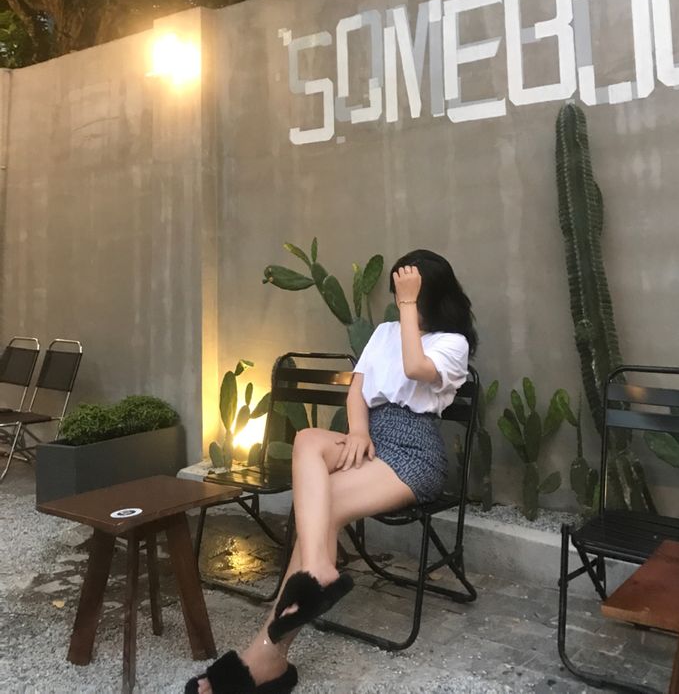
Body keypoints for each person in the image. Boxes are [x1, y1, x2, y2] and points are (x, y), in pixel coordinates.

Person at [187, 249, 477, 694]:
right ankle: (318, 570)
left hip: (413, 453)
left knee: (320, 512)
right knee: (307, 442)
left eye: (410, 294)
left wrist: (406, 305)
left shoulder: (451, 342)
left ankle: (267, 654)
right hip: (373, 439)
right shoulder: (383, 331)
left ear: (429, 295)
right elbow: (358, 390)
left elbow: (416, 368)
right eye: (399, 292)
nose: (402, 302)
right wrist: (358, 432)